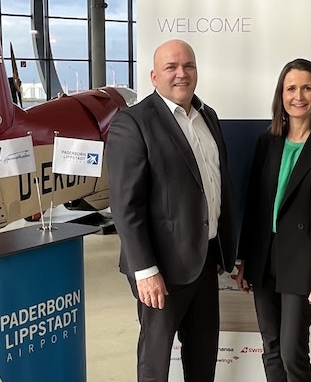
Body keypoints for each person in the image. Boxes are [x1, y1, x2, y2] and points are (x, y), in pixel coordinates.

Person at [106, 39, 237, 382]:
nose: (182, 74)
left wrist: (231, 251)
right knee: (156, 361)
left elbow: (220, 186)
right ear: (153, 76)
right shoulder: (132, 123)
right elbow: (125, 204)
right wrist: (144, 270)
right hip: (160, 270)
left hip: (206, 260)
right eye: (171, 67)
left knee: (203, 356)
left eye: (188, 66)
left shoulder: (208, 116)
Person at [233, 58, 311, 382]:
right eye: (291, 88)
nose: (298, 96)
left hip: (303, 261)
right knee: (270, 347)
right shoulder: (266, 142)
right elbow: (255, 206)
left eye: (306, 88)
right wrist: (245, 260)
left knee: (292, 352)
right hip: (263, 258)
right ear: (281, 95)